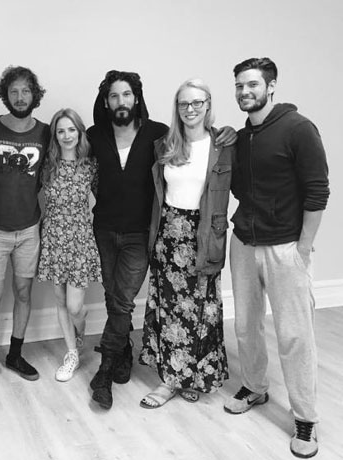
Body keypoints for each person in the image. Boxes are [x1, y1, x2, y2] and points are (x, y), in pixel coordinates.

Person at [87, 70, 236, 410]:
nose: (121, 101)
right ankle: (125, 352)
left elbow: (216, 158)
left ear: (136, 98)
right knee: (121, 297)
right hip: (124, 231)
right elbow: (81, 168)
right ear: (106, 101)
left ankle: (106, 369)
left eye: (127, 94)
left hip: (148, 232)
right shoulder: (101, 136)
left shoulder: (157, 134)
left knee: (129, 301)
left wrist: (228, 132)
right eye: (114, 95)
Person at [224, 57, 329, 459]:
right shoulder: (240, 138)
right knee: (246, 325)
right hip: (244, 243)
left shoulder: (298, 128)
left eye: (252, 84)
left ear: (271, 86)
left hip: (286, 247)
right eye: (239, 85)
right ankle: (254, 387)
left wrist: (303, 247)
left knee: (294, 335)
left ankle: (306, 418)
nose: (244, 91)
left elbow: (318, 191)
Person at [138, 79, 232, 408]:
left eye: (196, 102)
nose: (190, 109)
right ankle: (169, 380)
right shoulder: (165, 145)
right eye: (183, 103)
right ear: (177, 108)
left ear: (208, 105)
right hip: (168, 234)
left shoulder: (223, 145)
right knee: (170, 309)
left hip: (203, 234)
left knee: (201, 309)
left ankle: (192, 377)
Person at [0, 66, 51, 386]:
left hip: (29, 229)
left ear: (35, 95)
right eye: (13, 91)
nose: (20, 97)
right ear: (5, 95)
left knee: (23, 292)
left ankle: (15, 354)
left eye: (25, 91)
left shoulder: (46, 133)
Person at [37, 108, 101, 382]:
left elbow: (104, 200)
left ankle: (81, 330)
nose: (66, 136)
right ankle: (72, 353)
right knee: (61, 300)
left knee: (75, 306)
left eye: (71, 129)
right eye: (60, 131)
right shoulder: (47, 166)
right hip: (53, 237)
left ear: (79, 132)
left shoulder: (90, 166)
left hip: (80, 239)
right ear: (55, 135)